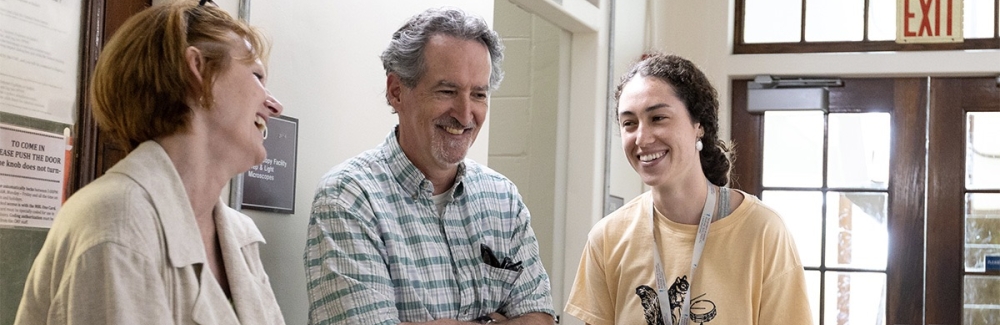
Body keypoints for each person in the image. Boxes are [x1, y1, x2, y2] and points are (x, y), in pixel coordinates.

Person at [15, 1, 285, 324]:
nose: (275, 105)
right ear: (198, 71)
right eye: (257, 76)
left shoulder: (241, 237)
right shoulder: (116, 219)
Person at [304, 7, 555, 325]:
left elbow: (541, 320)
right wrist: (490, 322)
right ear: (396, 92)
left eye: (478, 94)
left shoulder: (503, 199)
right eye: (447, 91)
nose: (465, 115)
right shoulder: (349, 196)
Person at [564, 53, 812, 325]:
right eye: (629, 123)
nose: (642, 138)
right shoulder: (607, 237)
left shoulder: (763, 231)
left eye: (658, 118)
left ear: (699, 125)